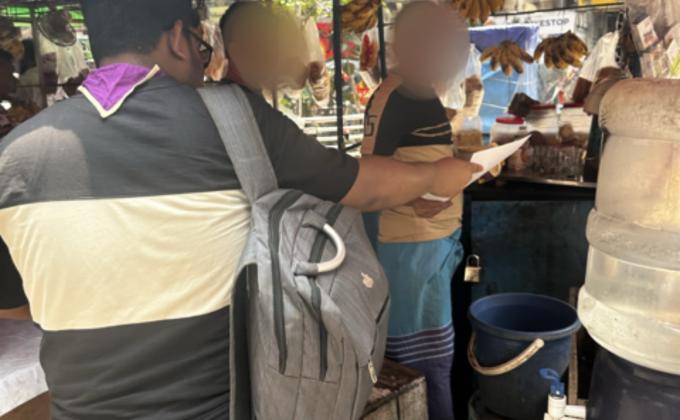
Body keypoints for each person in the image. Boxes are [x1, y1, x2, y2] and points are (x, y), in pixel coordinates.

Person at [0, 0, 480, 419]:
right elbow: (360, 185)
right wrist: (435, 176)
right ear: (178, 39)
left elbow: (15, 306)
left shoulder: (14, 158)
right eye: (201, 48)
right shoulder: (230, 118)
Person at [361, 2, 470, 419]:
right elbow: (368, 175)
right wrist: (414, 193)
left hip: (430, 249)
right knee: (421, 366)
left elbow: (417, 162)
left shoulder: (422, 93)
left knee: (436, 359)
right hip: (408, 250)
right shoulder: (396, 95)